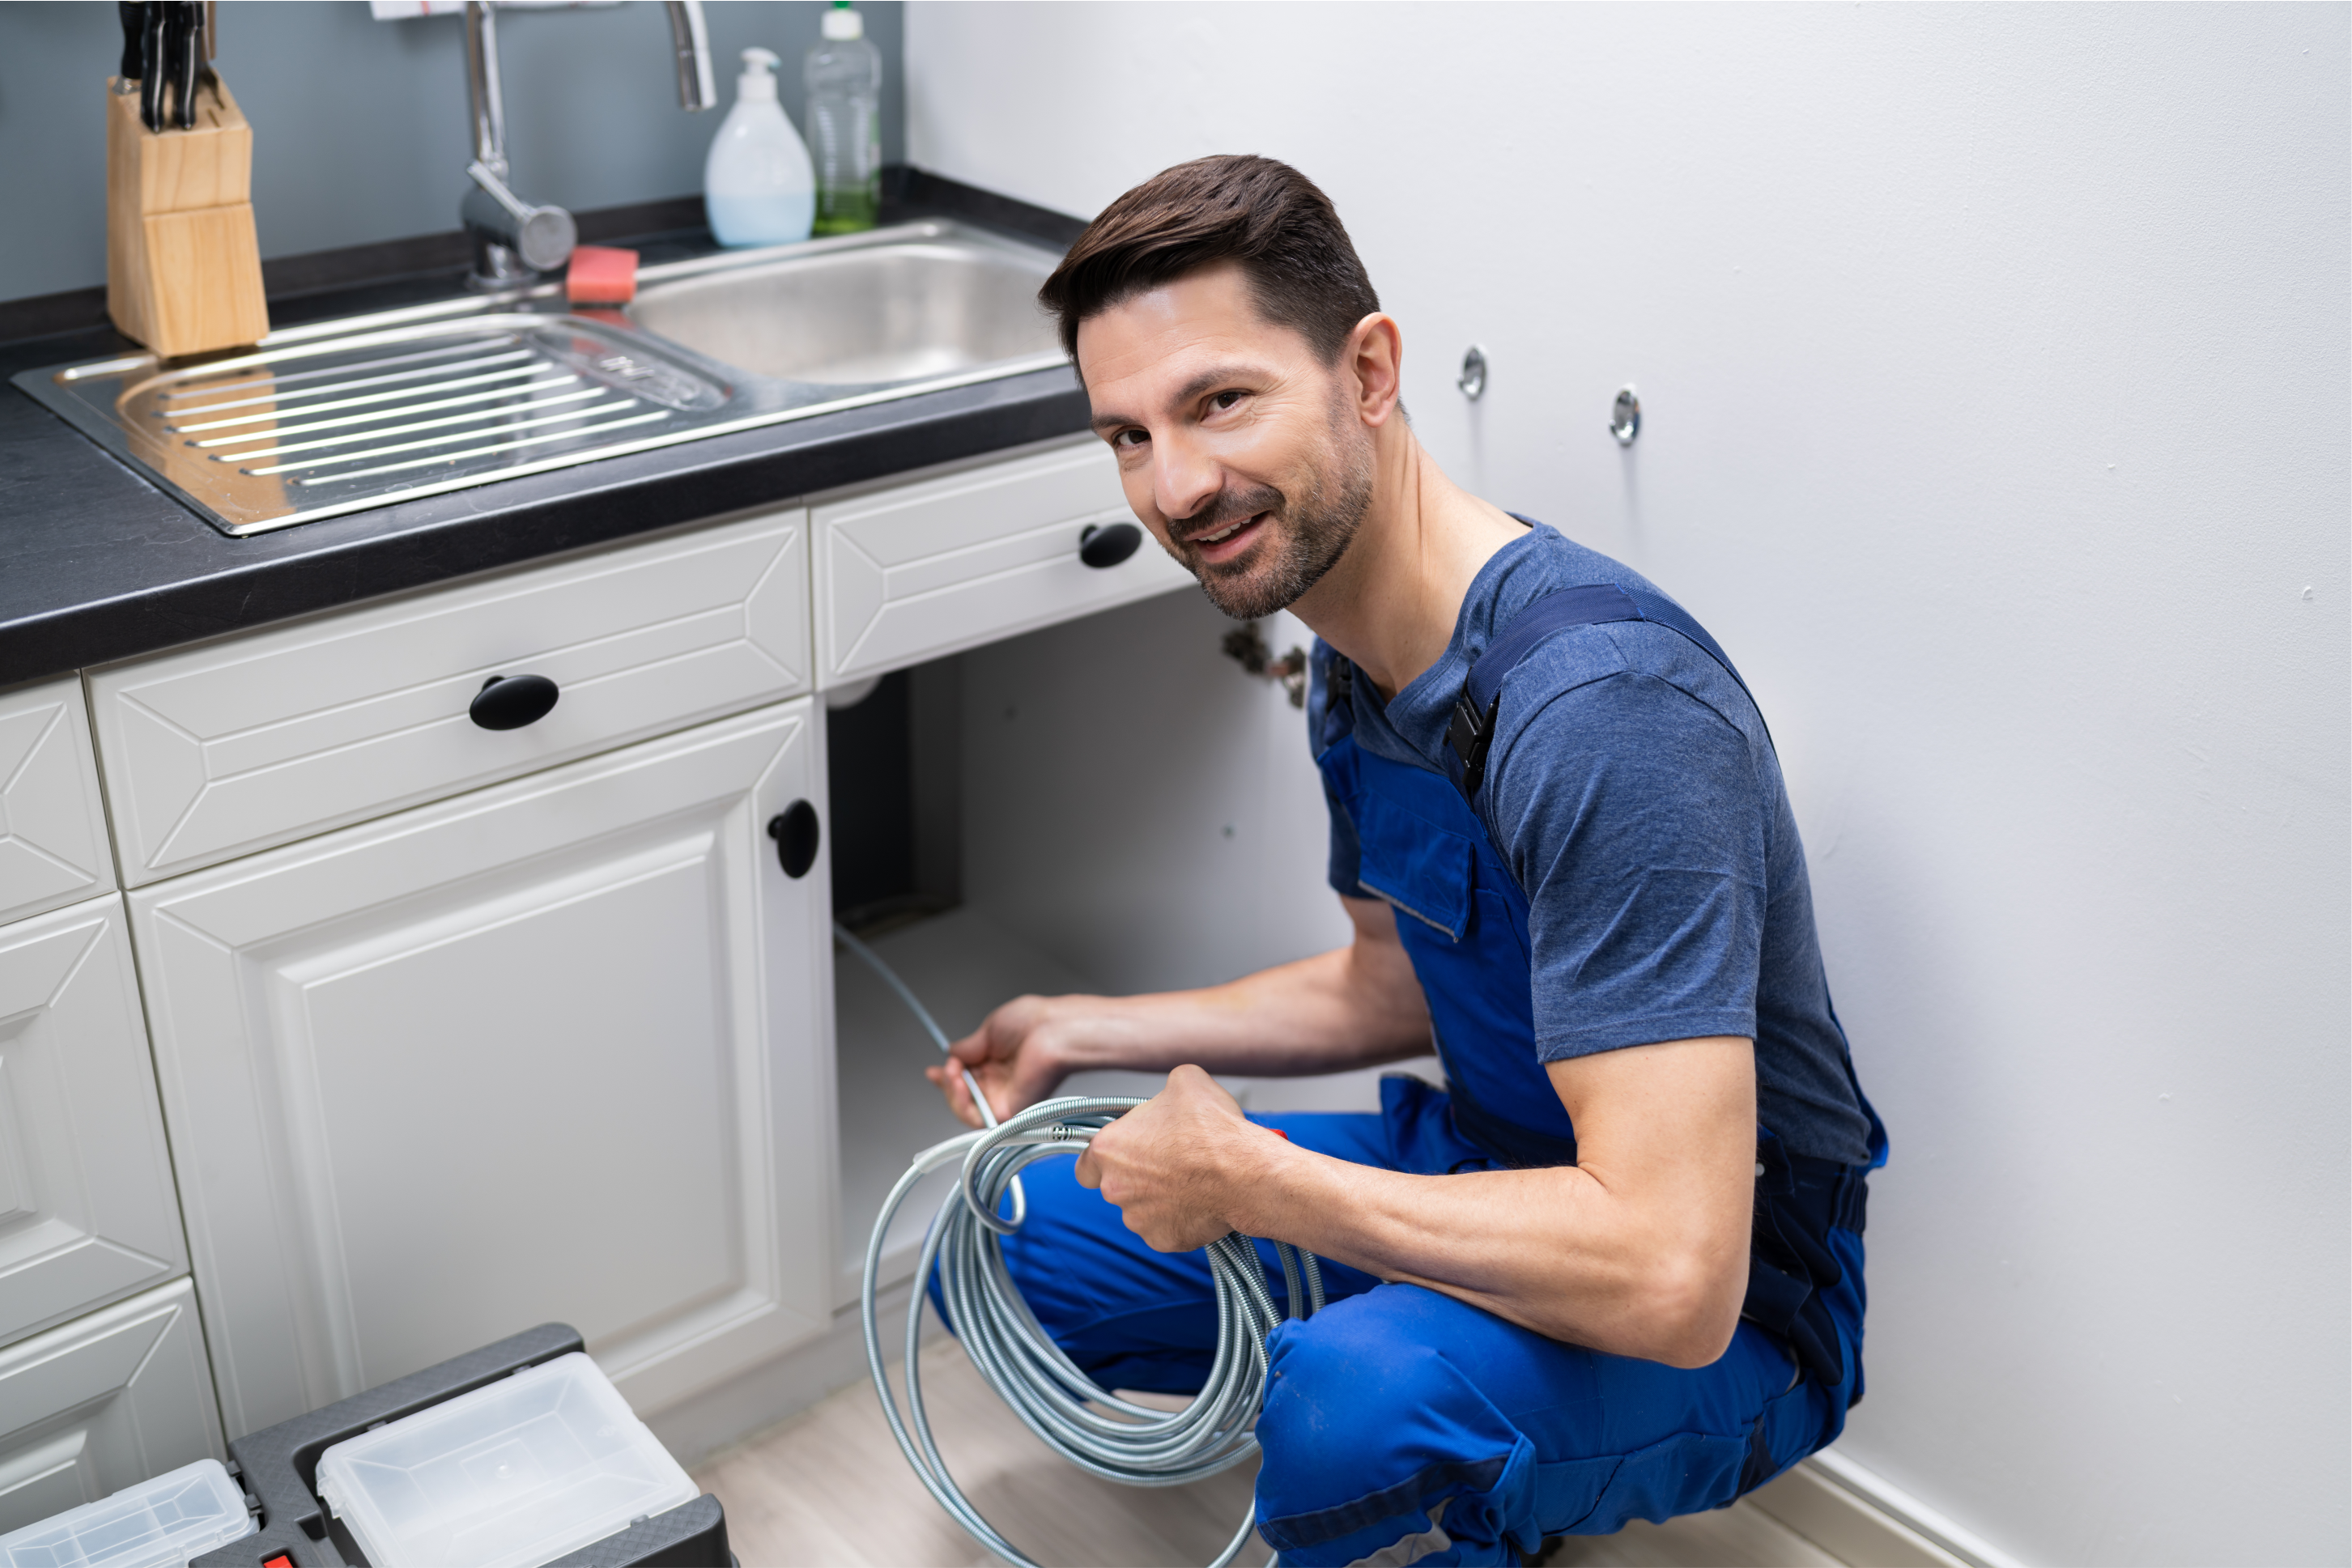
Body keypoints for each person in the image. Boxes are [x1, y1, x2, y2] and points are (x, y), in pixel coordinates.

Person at [925, 155, 1886, 1568]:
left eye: (1220, 401)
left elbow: (1679, 1276)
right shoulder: (1356, 660)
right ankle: (1452, 1400)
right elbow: (1389, 993)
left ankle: (1450, 1434)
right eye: (1126, 435)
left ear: (1367, 370)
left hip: (1728, 1312)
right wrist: (1084, 1029)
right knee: (1013, 1231)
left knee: (1349, 1409)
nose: (1175, 486)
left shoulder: (1601, 716)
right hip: (1482, 1173)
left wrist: (1256, 1180)